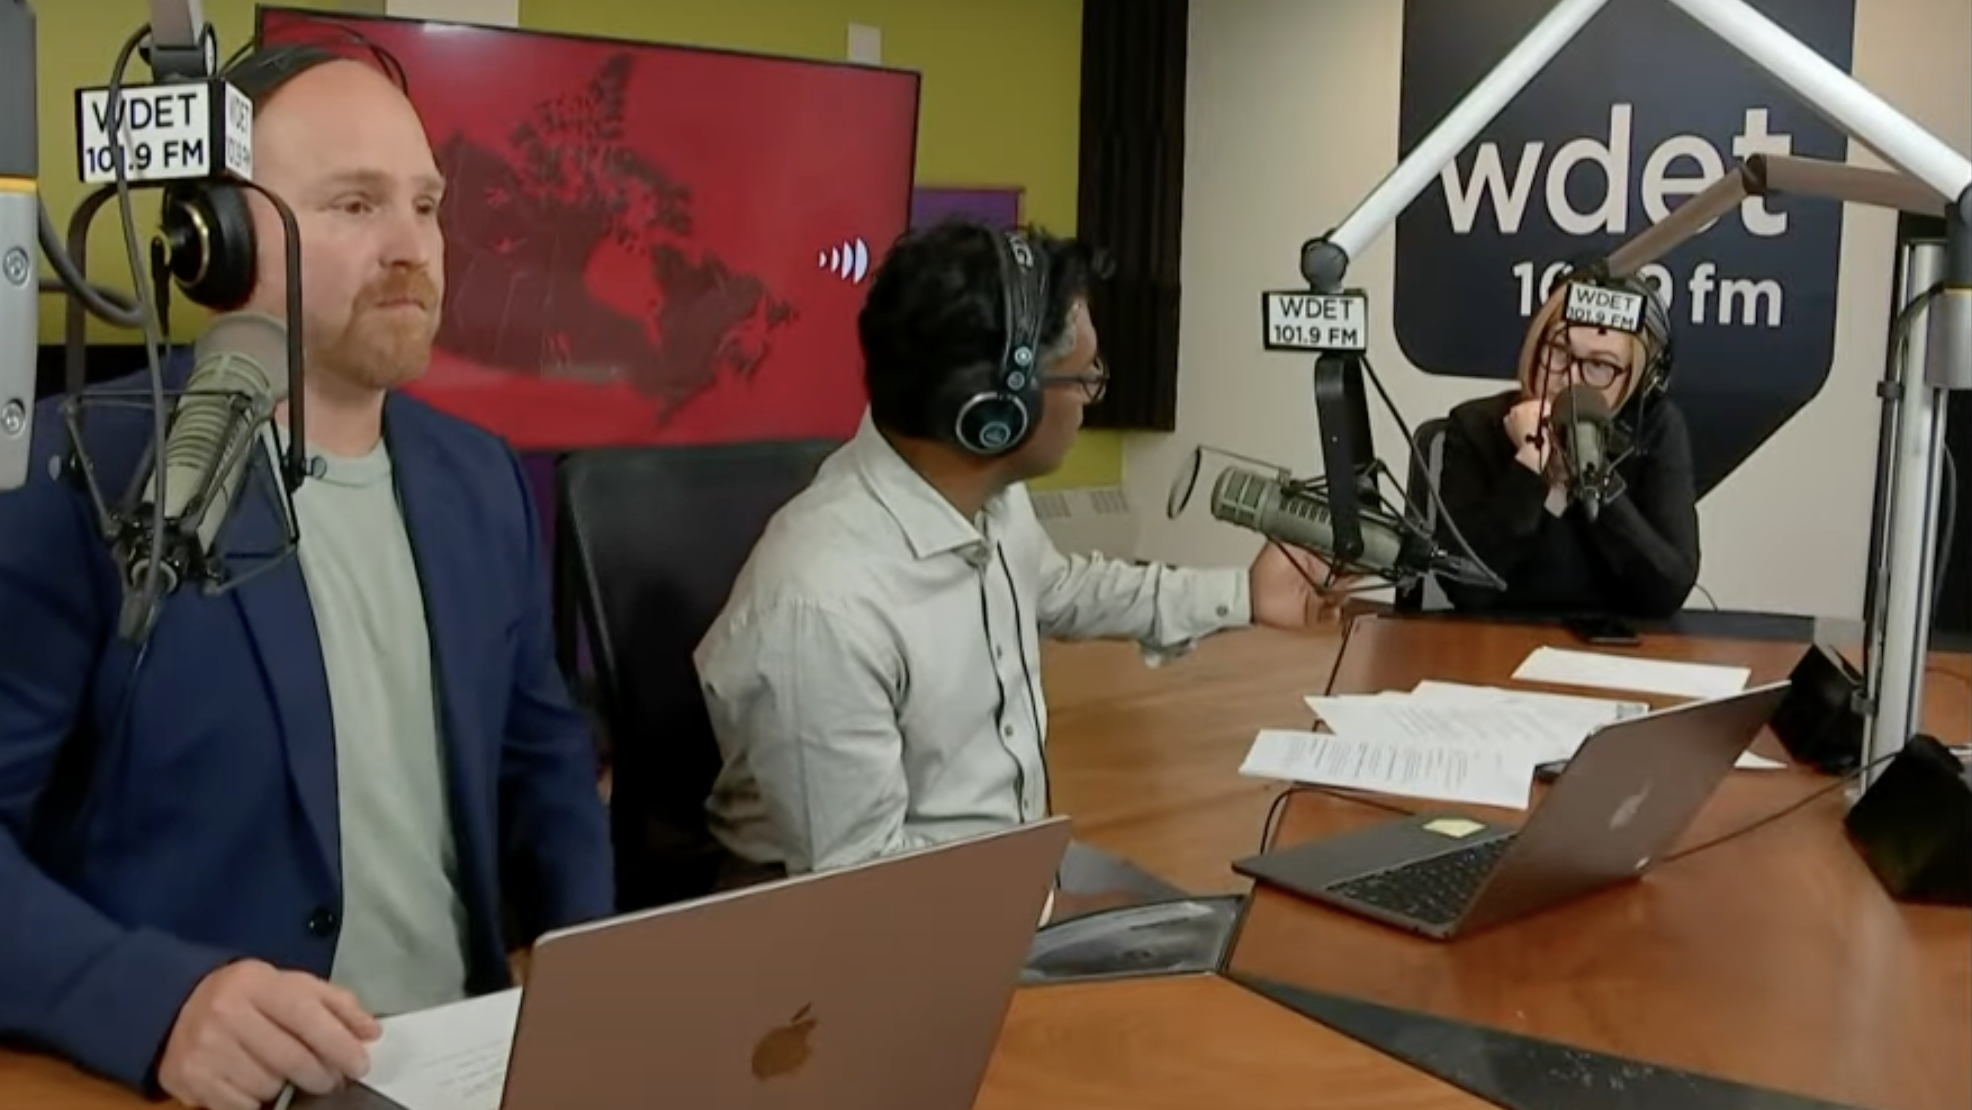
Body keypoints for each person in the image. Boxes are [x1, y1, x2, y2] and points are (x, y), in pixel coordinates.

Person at [0, 47, 612, 1110]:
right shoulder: (73, 479)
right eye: (353, 204)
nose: (411, 248)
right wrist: (153, 1001)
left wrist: (597, 982)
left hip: (468, 1067)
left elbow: (545, 759)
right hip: (225, 1087)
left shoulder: (480, 480)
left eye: (425, 205)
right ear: (219, 241)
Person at [693, 219, 1335, 893]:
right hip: (896, 932)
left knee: (1240, 922)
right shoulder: (822, 609)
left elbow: (1058, 589)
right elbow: (861, 890)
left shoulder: (984, 494)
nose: (1091, 397)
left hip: (1009, 877)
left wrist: (1244, 594)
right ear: (994, 410)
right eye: (1084, 376)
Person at [1429, 270, 1699, 619]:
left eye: (1600, 365)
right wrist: (1529, 465)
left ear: (1636, 381)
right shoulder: (1475, 427)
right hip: (1494, 647)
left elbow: (1667, 589)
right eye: (1559, 352)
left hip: (1615, 655)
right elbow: (1465, 588)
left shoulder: (1656, 431)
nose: (1570, 378)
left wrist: (1591, 471)